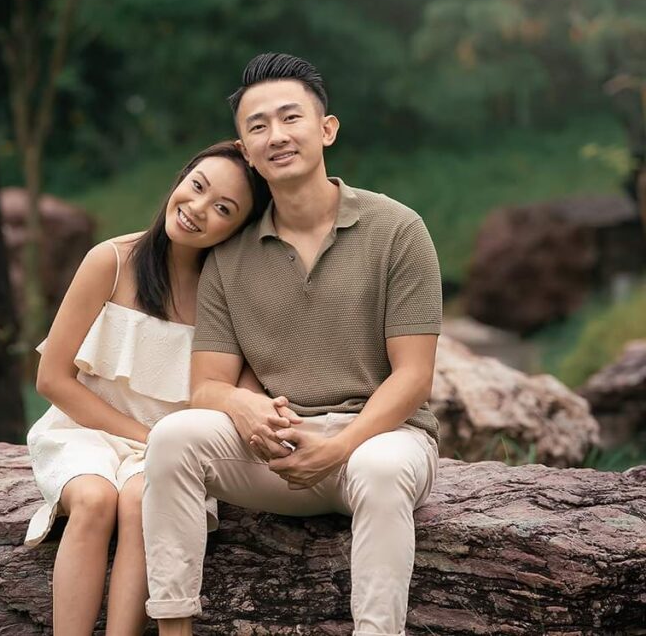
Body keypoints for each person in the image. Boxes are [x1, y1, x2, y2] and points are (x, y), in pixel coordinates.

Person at [143, 53, 443, 636]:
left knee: (380, 473)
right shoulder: (229, 257)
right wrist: (242, 405)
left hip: (381, 442)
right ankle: (174, 628)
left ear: (326, 129)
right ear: (246, 149)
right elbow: (206, 384)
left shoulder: (398, 229)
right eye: (258, 126)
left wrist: (342, 445)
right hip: (279, 451)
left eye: (290, 118)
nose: (275, 135)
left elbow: (414, 378)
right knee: (174, 437)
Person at [25, 140, 272, 635]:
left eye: (223, 209)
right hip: (85, 431)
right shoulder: (111, 261)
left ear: (239, 228)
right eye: (197, 187)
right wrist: (141, 435)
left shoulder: (228, 297)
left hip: (170, 452)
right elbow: (51, 379)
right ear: (181, 179)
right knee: (94, 501)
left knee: (143, 502)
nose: (198, 209)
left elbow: (236, 399)